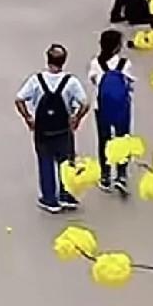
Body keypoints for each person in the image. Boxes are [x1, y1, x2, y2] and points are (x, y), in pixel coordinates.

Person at [15, 44, 90, 214]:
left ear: (47, 59)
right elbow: (85, 103)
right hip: (63, 130)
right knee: (66, 162)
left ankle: (50, 199)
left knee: (45, 161)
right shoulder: (71, 81)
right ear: (64, 61)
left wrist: (28, 118)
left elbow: (19, 99)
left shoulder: (36, 80)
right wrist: (76, 118)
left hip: (43, 130)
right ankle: (66, 194)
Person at [88, 28, 135, 195]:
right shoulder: (125, 64)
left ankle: (105, 176)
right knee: (123, 139)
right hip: (122, 108)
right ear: (117, 47)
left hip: (101, 107)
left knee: (104, 140)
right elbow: (130, 85)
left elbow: (94, 81)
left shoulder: (96, 63)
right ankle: (121, 175)